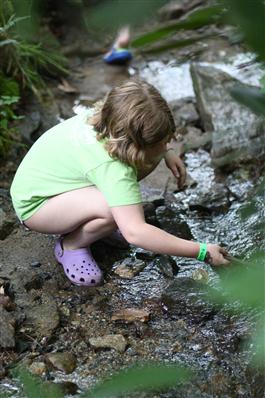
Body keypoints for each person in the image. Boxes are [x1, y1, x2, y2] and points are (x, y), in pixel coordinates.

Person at [10, 79, 229, 287]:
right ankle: (71, 245)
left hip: (53, 187)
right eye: (162, 142)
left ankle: (98, 223)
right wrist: (202, 251)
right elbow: (136, 233)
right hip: (36, 207)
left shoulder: (109, 121)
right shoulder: (112, 167)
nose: (166, 145)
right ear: (134, 145)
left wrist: (167, 152)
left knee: (137, 180)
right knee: (113, 210)